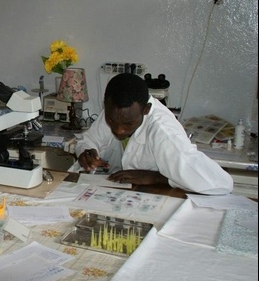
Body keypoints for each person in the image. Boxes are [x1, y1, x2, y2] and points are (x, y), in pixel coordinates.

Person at [76, 73, 232, 195]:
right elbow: (88, 140)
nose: (118, 130)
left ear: (146, 110)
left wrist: (156, 177)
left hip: (159, 197)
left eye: (128, 124)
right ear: (106, 105)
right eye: (111, 121)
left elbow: (220, 184)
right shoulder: (116, 112)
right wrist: (87, 152)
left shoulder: (164, 132)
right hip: (120, 193)